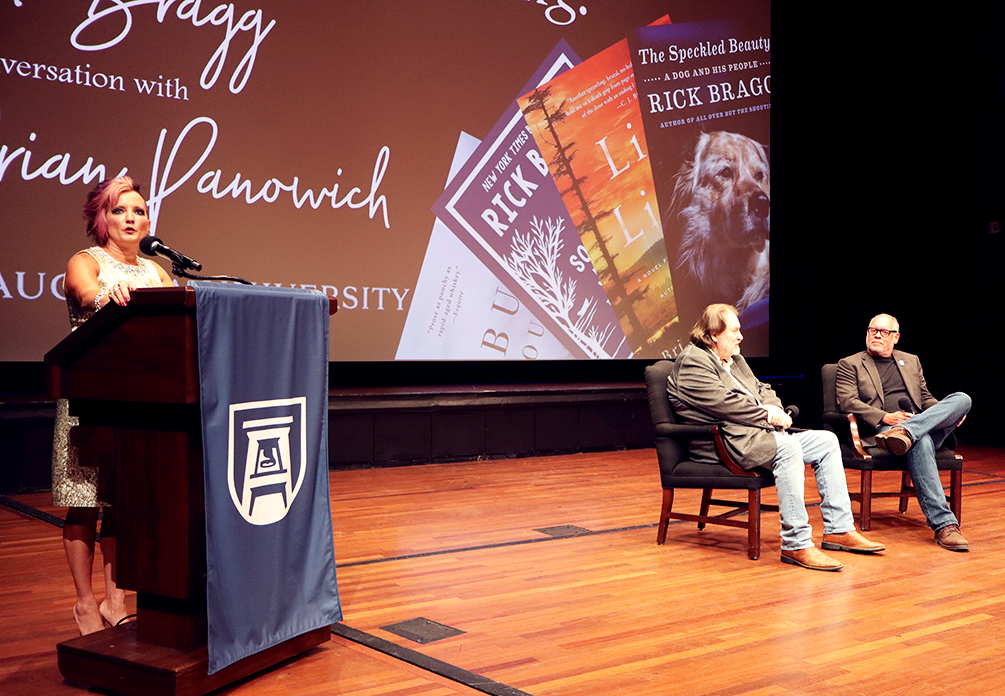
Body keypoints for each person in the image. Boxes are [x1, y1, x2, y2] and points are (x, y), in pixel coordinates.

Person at [667, 304, 885, 571]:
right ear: (714, 334)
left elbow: (763, 388)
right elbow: (724, 404)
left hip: (757, 433)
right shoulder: (693, 362)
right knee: (790, 448)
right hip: (725, 442)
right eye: (734, 330)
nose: (740, 337)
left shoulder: (734, 360)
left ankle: (839, 530)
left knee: (827, 441)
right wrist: (766, 415)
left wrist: (775, 408)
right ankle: (796, 544)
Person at [52, 175, 174, 634]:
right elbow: (85, 294)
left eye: (139, 211)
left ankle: (116, 597)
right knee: (85, 504)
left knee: (124, 507)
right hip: (91, 400)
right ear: (102, 219)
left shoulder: (157, 269)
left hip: (140, 403)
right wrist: (108, 294)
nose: (131, 218)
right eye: (120, 210)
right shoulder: (86, 261)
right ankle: (85, 604)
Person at [836, 313, 972, 551]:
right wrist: (885, 417)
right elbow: (847, 401)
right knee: (921, 442)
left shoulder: (911, 360)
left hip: (916, 423)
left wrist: (945, 412)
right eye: (872, 330)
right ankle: (945, 525)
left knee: (962, 399)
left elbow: (925, 397)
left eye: (884, 331)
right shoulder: (850, 364)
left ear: (896, 337)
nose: (877, 335)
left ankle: (907, 432)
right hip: (884, 431)